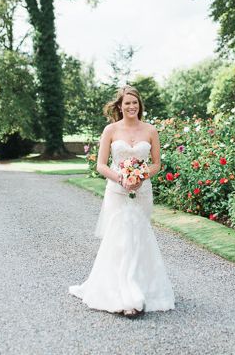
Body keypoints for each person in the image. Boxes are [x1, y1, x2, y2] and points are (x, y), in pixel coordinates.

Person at [68, 85, 175, 317]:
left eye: (135, 103)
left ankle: (143, 287)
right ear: (119, 106)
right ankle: (126, 295)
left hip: (142, 191)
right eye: (127, 103)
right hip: (117, 191)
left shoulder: (150, 130)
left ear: (140, 106)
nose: (131, 106)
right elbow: (101, 164)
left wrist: (140, 176)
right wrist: (122, 178)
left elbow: (156, 163)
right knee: (121, 240)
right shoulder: (111, 130)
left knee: (139, 237)